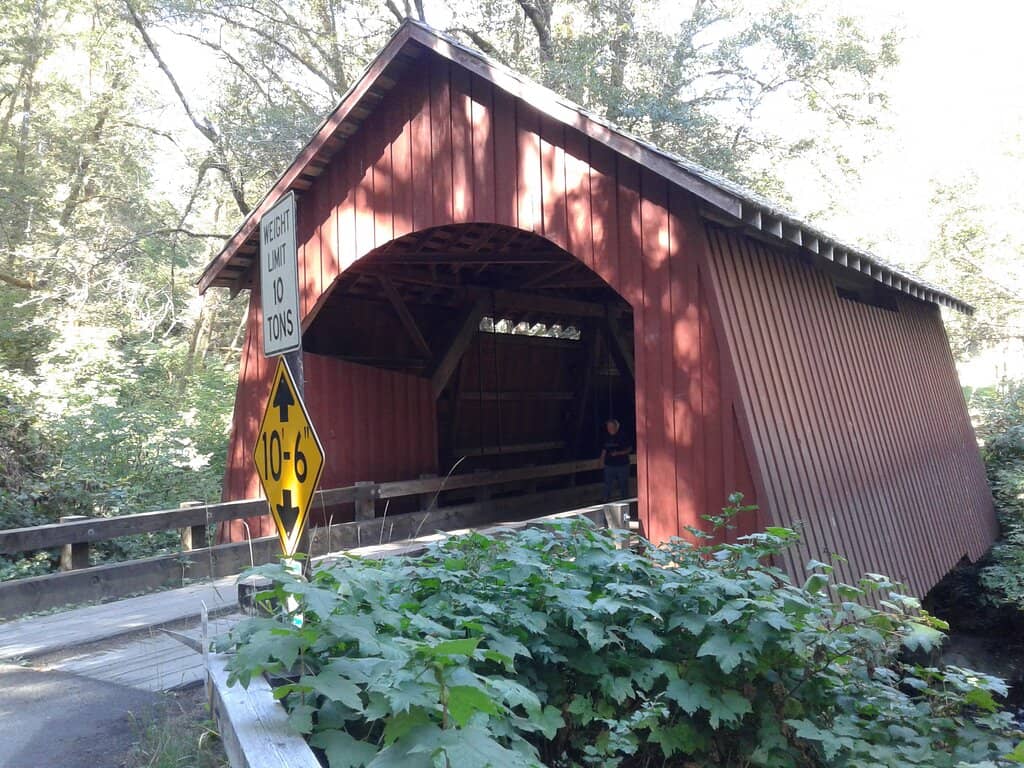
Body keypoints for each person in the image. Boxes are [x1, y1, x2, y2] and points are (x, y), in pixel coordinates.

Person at [600, 419, 630, 502]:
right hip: (609, 464)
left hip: (622, 464)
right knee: (607, 484)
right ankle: (605, 501)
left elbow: (629, 449)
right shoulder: (606, 436)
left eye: (611, 426)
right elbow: (604, 449)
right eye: (608, 427)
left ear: (616, 427)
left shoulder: (623, 435)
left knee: (623, 484)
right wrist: (601, 460)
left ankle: (625, 501)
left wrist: (618, 453)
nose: (609, 428)